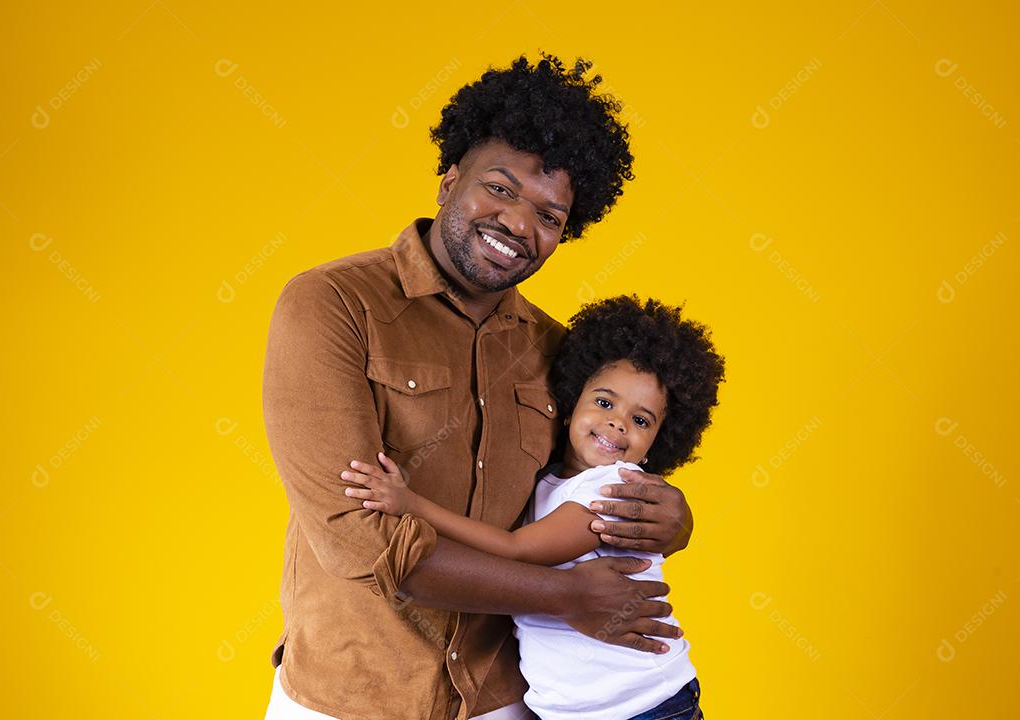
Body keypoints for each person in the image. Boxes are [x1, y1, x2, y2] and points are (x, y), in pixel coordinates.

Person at [262, 54, 697, 720]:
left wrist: (669, 518)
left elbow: (593, 476)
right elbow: (360, 539)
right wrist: (564, 597)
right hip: (350, 696)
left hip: (508, 699)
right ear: (448, 178)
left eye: (550, 218)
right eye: (499, 188)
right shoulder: (332, 305)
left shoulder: (561, 352)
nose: (519, 225)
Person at [343, 295, 725, 719]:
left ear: (657, 444)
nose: (618, 422)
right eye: (604, 402)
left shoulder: (613, 488)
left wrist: (411, 503)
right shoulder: (548, 480)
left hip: (644, 706)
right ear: (569, 405)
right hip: (575, 710)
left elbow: (516, 550)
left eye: (641, 420)